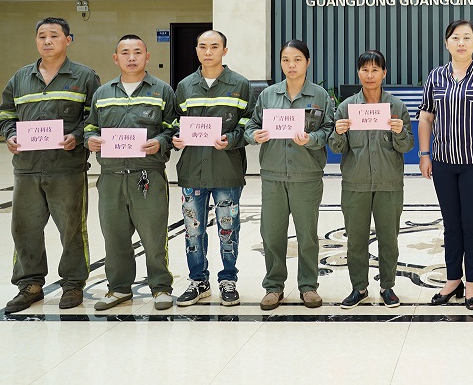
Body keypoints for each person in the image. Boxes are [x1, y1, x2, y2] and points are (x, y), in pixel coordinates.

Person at [0, 17, 101, 313]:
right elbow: (6, 115)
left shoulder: (84, 77)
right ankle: (29, 284)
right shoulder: (20, 78)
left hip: (67, 167)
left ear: (68, 40)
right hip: (27, 167)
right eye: (41, 35)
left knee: (71, 228)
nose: (47, 41)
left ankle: (73, 283)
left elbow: (94, 118)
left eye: (54, 35)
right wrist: (10, 135)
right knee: (24, 228)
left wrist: (77, 136)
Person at [84, 34, 178, 311]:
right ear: (116, 58)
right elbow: (90, 127)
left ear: (147, 56)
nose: (132, 57)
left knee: (154, 236)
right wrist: (90, 139)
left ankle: (161, 287)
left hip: (147, 175)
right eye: (125, 53)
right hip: (111, 177)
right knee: (114, 236)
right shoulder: (103, 93)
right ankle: (119, 288)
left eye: (137, 52)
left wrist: (160, 142)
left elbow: (172, 127)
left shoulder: (162, 91)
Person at [418, 19, 473, 311]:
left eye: (467, 37)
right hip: (443, 162)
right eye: (455, 37)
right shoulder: (436, 76)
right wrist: (425, 154)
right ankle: (453, 279)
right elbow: (426, 117)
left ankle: (472, 284)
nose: (461, 43)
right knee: (451, 224)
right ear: (447, 43)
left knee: (472, 223)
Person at [245, 40, 335, 311]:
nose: (291, 65)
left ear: (307, 62)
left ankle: (308, 286)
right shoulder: (268, 95)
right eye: (286, 60)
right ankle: (274, 287)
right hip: (273, 174)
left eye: (297, 60)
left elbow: (328, 130)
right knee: (272, 234)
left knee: (307, 235)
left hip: (306, 174)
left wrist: (312, 139)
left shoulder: (320, 96)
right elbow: (251, 124)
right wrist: (255, 135)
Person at [172, 30, 254, 307]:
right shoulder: (185, 86)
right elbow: (175, 122)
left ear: (224, 50)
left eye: (214, 46)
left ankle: (228, 279)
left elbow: (249, 124)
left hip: (226, 170)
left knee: (228, 229)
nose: (208, 52)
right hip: (192, 170)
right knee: (192, 230)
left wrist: (232, 138)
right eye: (203, 46)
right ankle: (198, 281)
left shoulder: (240, 85)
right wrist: (176, 137)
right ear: (196, 50)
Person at [330, 50, 414, 309]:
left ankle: (388, 286)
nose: (370, 75)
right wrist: (338, 132)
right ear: (358, 73)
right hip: (355, 184)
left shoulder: (397, 107)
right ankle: (359, 288)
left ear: (384, 73)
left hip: (389, 184)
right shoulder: (346, 108)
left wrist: (399, 132)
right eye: (365, 70)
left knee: (389, 239)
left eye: (375, 70)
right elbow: (336, 148)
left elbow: (407, 146)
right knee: (356, 240)